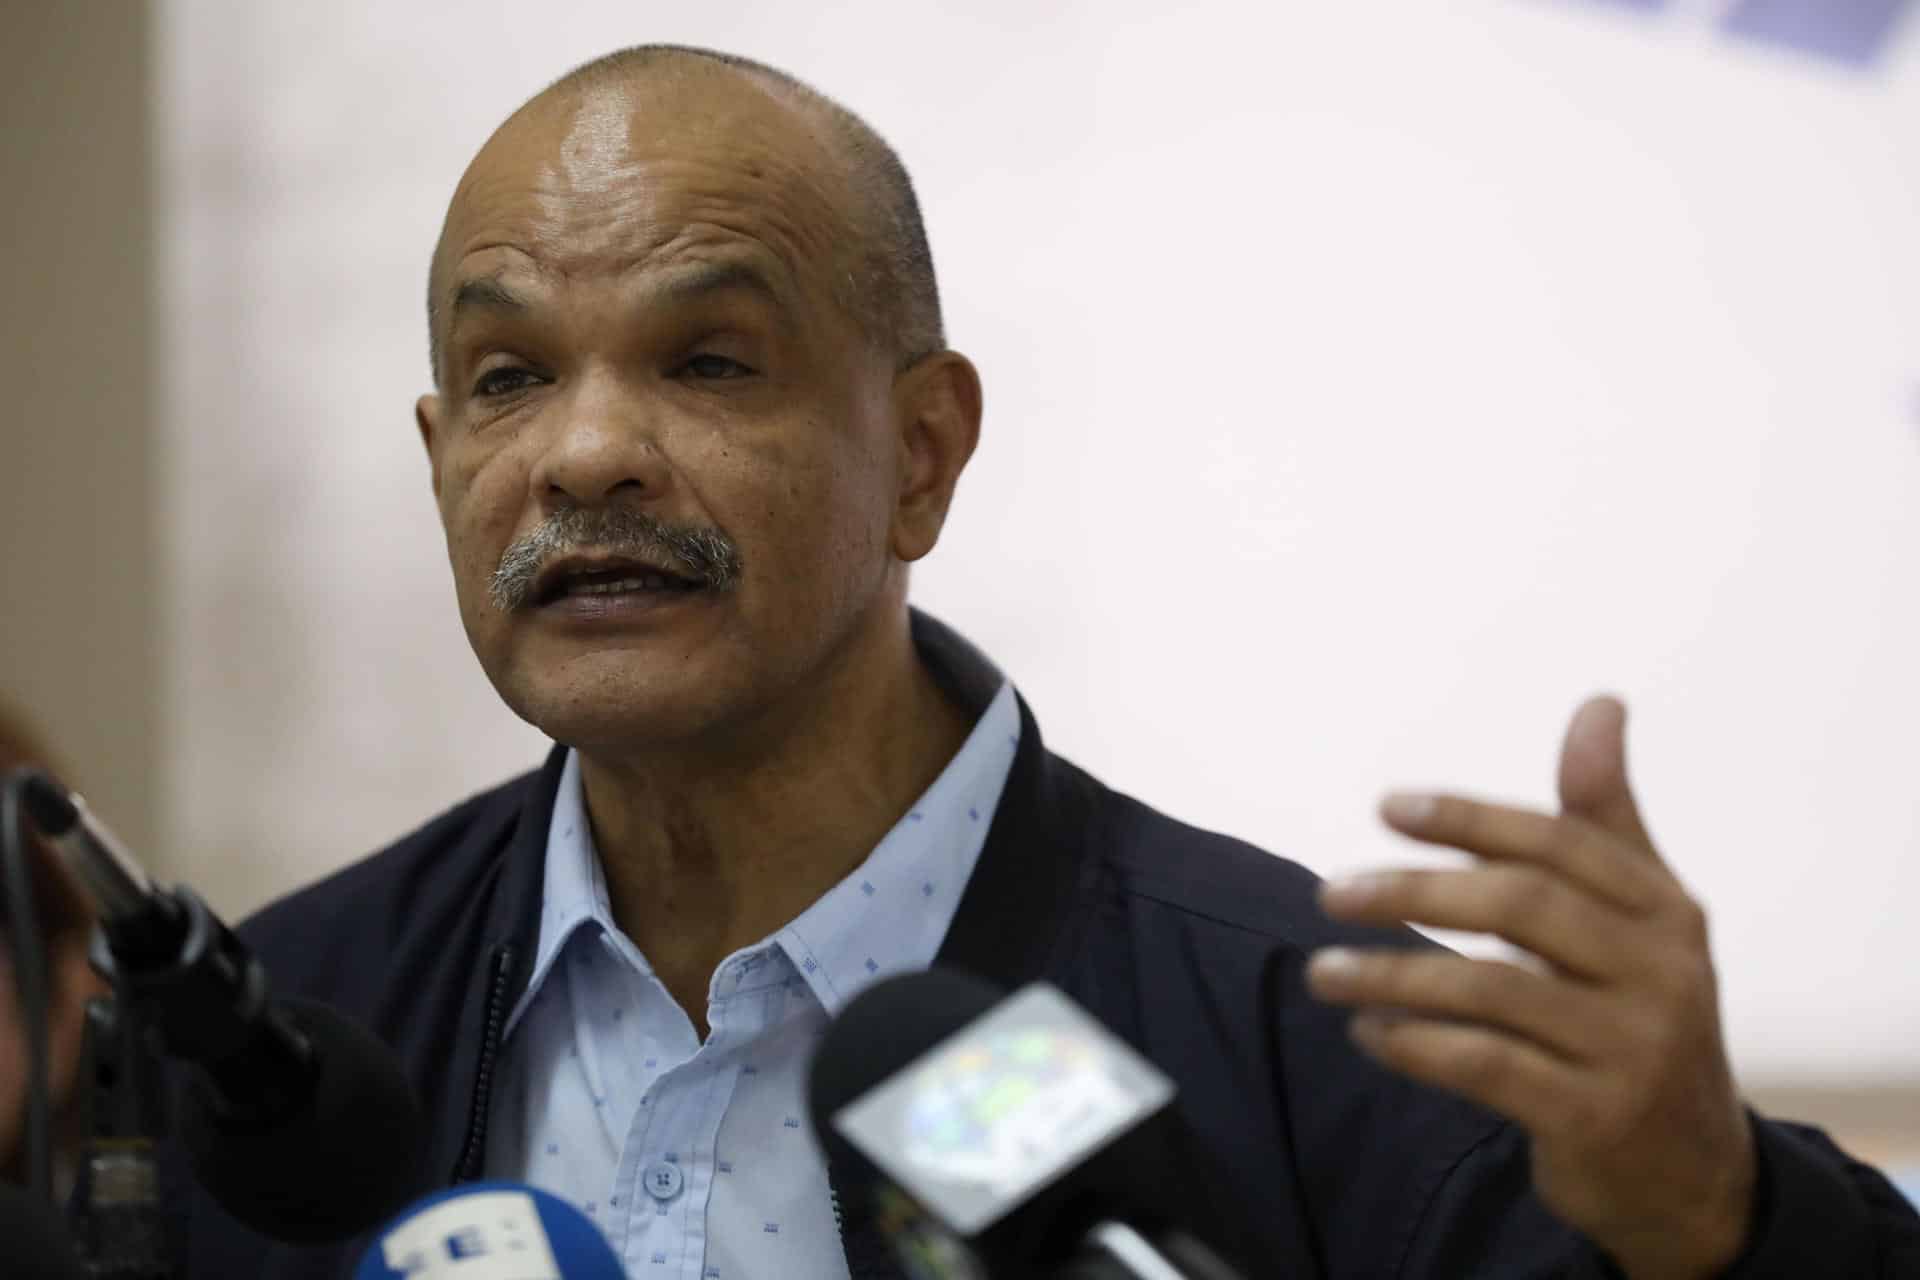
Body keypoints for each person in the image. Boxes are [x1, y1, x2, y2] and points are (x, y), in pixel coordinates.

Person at [5, 44, 1917, 1277]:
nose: (581, 454)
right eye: (508, 377)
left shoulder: (1327, 1055)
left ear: (921, 451)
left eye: (707, 359)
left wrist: (1724, 1227)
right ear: (442, 464)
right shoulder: (281, 1051)